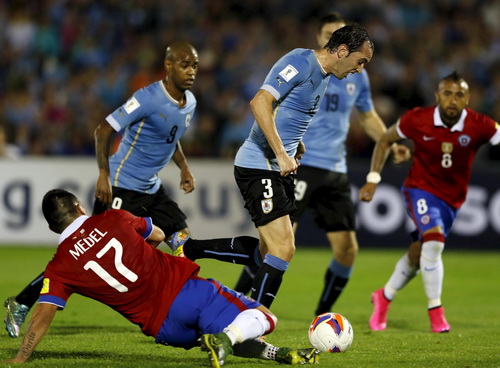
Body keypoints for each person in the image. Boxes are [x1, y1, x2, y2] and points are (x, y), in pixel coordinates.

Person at [4, 41, 258, 338]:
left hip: (153, 189)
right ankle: (21, 302)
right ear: (168, 66)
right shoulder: (147, 98)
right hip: (120, 187)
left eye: (195, 66)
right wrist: (103, 174)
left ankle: (202, 307)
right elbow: (104, 129)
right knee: (81, 255)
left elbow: (169, 137)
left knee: (183, 245)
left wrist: (184, 167)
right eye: (185, 65)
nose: (191, 72)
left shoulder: (189, 102)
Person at [3, 189, 320, 367]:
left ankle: (277, 355)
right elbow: (155, 233)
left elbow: (43, 314)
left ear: (51, 228)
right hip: (185, 293)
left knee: (225, 333)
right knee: (263, 317)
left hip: (164, 329)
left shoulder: (59, 265)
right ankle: (227, 340)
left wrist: (21, 357)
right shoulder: (114, 218)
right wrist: (140, 252)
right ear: (79, 206)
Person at [233, 13, 410, 315]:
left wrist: (389, 143)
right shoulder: (306, 65)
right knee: (277, 245)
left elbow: (367, 117)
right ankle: (237, 300)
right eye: (329, 33)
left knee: (346, 250)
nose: (360, 67)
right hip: (298, 165)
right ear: (330, 43)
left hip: (334, 168)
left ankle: (320, 316)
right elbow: (266, 102)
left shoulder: (350, 77)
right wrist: (281, 150)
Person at [359, 71, 500, 333]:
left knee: (418, 254)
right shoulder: (417, 119)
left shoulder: (480, 124)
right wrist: (373, 178)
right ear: (437, 96)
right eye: (447, 94)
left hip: (452, 201)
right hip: (419, 191)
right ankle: (436, 311)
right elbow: (386, 139)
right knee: (434, 243)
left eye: (459, 95)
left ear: (467, 99)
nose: (452, 100)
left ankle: (384, 296)